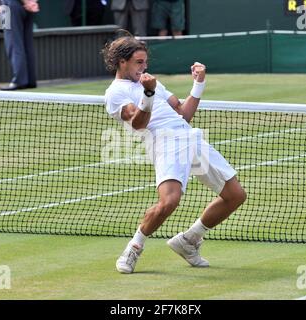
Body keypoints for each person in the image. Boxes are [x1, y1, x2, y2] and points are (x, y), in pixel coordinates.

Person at [103, 35, 247, 274]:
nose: (144, 67)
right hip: (165, 142)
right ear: (121, 62)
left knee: (235, 195)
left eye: (145, 62)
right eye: (138, 62)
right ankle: (134, 247)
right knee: (169, 202)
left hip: (189, 136)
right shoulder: (116, 92)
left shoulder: (151, 83)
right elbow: (138, 124)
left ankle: (189, 240)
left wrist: (198, 84)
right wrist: (147, 95)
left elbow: (183, 113)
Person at [0, 0, 38, 91]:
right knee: (27, 44)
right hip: (29, 5)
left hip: (12, 5)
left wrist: (26, 2)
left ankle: (19, 81)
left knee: (13, 43)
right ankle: (30, 80)